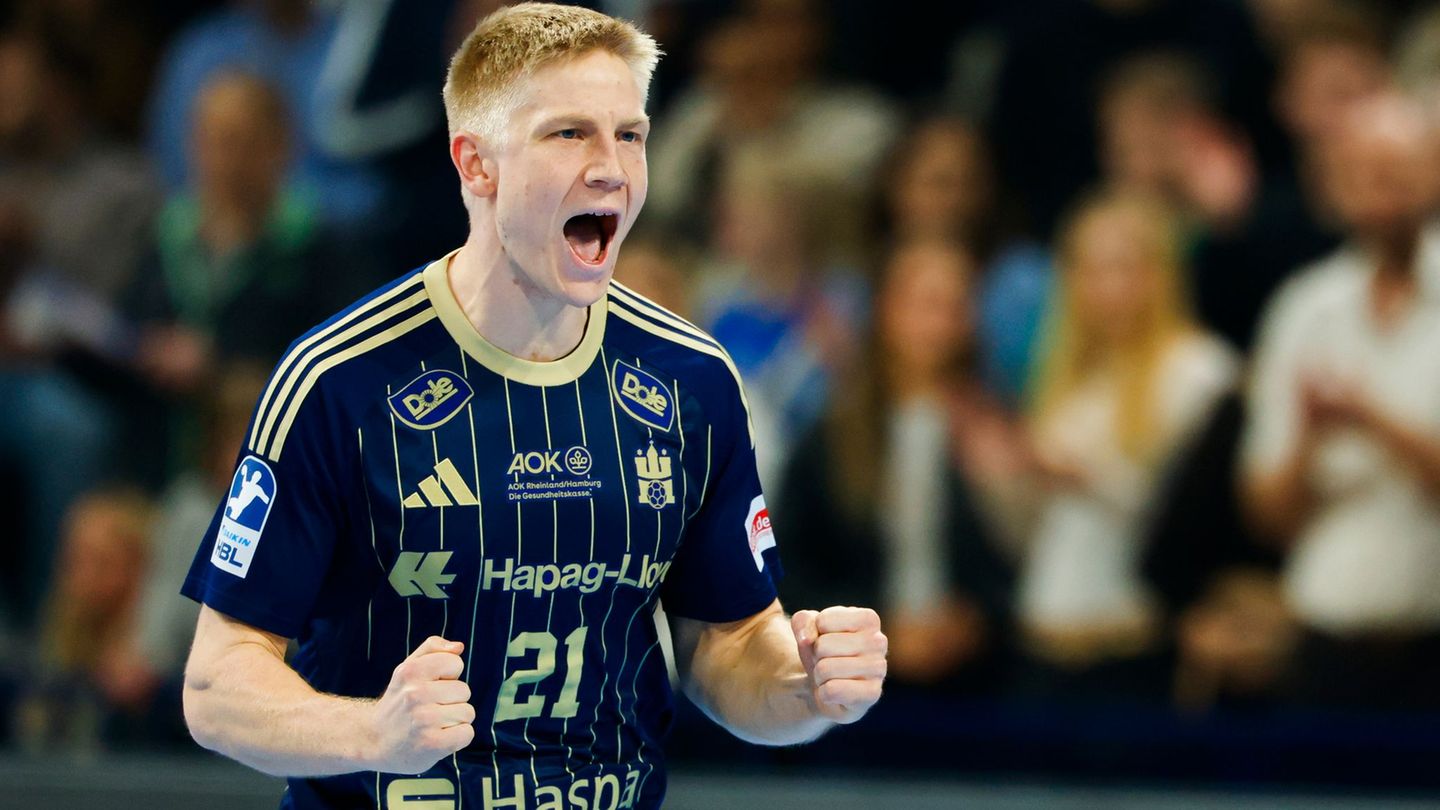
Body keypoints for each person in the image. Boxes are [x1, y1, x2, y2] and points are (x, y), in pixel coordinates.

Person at [178, 5, 887, 809]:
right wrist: (375, 734)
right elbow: (215, 686)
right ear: (476, 164)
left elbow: (724, 644)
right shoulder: (338, 379)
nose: (613, 168)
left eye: (630, 135)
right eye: (569, 134)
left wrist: (810, 689)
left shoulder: (693, 379)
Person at [1240, 93, 1440, 710]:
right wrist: (1307, 437)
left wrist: (1373, 421)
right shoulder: (1303, 308)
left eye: (1397, 169)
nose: (1380, 189)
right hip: (1326, 643)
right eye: (1361, 171)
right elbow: (1267, 517)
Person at [1014, 190, 1238, 701]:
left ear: (1161, 272)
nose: (1105, 287)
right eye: (1088, 270)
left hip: (1131, 635)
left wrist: (1087, 479)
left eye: (1123, 267)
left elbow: (1194, 519)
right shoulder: (1070, 379)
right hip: (1047, 627)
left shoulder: (1198, 371)